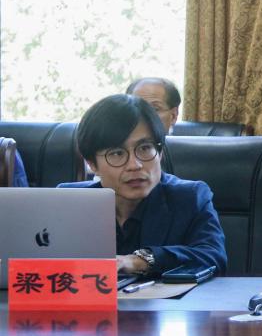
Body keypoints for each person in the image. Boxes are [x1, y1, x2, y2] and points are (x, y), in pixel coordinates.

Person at [58, 94, 227, 276]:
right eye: (117, 153)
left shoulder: (189, 197)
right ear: (92, 164)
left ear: (160, 153)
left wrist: (140, 261)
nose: (135, 165)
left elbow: (213, 257)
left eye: (145, 148)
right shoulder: (69, 202)